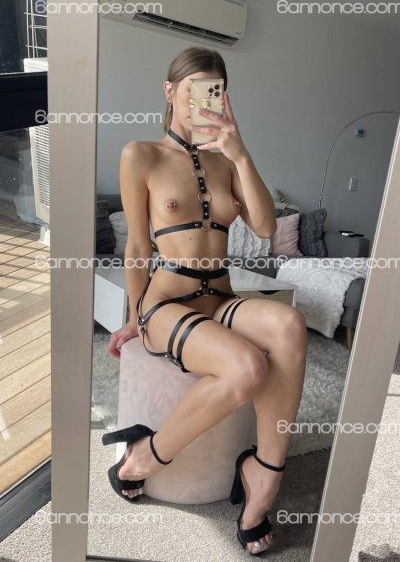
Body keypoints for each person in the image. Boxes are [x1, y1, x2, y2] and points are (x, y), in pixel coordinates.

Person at [105, 46, 308, 556]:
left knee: (288, 324)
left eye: (213, 90)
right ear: (170, 91)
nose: (202, 100)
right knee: (246, 367)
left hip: (219, 297)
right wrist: (134, 318)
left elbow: (265, 227)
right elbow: (137, 247)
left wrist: (240, 153)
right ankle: (148, 454)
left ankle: (263, 473)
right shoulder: (141, 155)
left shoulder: (225, 162)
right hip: (167, 303)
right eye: (192, 88)